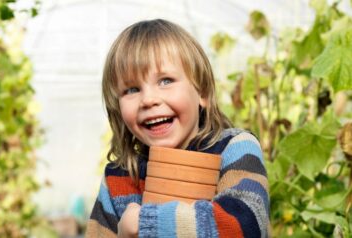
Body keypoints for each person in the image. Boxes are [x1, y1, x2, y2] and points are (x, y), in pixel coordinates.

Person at [86, 19, 269, 238]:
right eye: (132, 89)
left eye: (165, 81)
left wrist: (146, 223)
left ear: (202, 93)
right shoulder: (118, 179)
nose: (148, 100)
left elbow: (245, 224)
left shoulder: (235, 149)